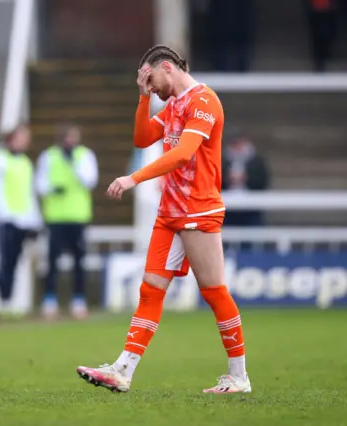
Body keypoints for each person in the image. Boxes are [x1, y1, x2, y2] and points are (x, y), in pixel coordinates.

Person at [76, 45, 251, 394]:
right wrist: (143, 99)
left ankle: (239, 376)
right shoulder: (172, 105)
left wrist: (133, 178)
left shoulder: (203, 102)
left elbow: (184, 154)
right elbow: (142, 138)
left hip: (198, 209)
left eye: (151, 79)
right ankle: (123, 369)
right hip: (170, 212)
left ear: (167, 67)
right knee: (150, 289)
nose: (151, 87)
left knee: (214, 292)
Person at [35, 124, 98, 320]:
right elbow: (40, 184)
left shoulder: (84, 156)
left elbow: (90, 180)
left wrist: (73, 165)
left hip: (78, 216)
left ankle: (79, 300)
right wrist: (53, 188)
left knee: (79, 260)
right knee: (52, 260)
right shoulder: (48, 156)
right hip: (55, 217)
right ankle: (50, 299)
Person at [0, 124, 41, 316]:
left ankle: (10, 299)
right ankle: (4, 300)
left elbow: (29, 195)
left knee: (16, 261)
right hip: (7, 220)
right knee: (6, 261)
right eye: (22, 137)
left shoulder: (25, 162)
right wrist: (6, 217)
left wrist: (34, 220)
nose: (26, 141)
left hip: (23, 221)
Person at [221, 130, 270, 227]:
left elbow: (262, 181)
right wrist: (228, 179)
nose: (238, 147)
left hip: (251, 208)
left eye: (240, 144)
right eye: (235, 144)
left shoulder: (257, 162)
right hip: (227, 208)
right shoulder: (223, 162)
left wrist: (246, 178)